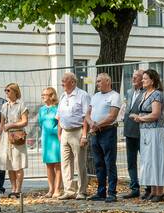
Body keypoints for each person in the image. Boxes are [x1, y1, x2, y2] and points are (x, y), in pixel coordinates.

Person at [132, 68, 164, 202]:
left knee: (156, 159)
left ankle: (160, 191)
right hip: (145, 131)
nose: (143, 80)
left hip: (155, 131)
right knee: (148, 160)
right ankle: (152, 191)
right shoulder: (144, 94)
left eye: (145, 78)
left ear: (152, 81)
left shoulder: (157, 94)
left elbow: (155, 114)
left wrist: (140, 118)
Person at [87, 73, 121, 202]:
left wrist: (97, 125)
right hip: (95, 133)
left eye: (100, 81)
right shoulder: (95, 96)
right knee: (98, 163)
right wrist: (91, 124)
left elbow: (112, 116)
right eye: (96, 81)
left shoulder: (114, 96)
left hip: (108, 132)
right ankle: (101, 192)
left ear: (108, 81)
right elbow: (87, 114)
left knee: (109, 163)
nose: (97, 84)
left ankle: (111, 193)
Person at [56, 72, 90, 200]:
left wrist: (84, 135)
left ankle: (82, 191)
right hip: (65, 132)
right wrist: (59, 134)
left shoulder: (83, 95)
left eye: (64, 80)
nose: (62, 83)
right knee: (65, 163)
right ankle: (69, 190)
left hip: (78, 131)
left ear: (73, 82)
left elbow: (86, 117)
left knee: (79, 163)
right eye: (62, 80)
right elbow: (59, 116)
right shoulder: (63, 96)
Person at [0, 83, 29, 198]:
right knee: (9, 164)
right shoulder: (5, 106)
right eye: (5, 90)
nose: (6, 92)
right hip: (6, 137)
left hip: (17, 136)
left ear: (15, 92)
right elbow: (1, 124)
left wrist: (12, 125)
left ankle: (18, 190)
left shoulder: (21, 105)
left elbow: (25, 121)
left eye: (8, 90)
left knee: (18, 164)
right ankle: (13, 188)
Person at [122, 70, 144, 199]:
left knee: (145, 161)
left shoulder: (146, 92)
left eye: (136, 77)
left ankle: (148, 187)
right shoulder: (129, 92)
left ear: (142, 79)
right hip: (129, 130)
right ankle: (134, 187)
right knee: (131, 161)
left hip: (142, 131)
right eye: (133, 77)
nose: (133, 79)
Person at [37, 87, 62, 198]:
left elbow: (60, 122)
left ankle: (57, 189)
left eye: (45, 94)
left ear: (52, 96)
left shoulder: (57, 108)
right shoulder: (41, 109)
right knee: (48, 165)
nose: (43, 96)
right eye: (42, 95)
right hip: (46, 138)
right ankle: (50, 189)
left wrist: (57, 133)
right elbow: (40, 123)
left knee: (57, 164)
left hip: (56, 138)